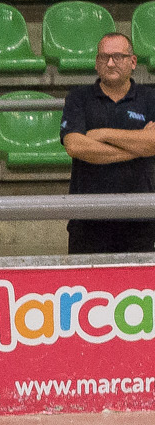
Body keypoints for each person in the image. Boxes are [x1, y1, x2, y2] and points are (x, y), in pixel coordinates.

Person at [61, 31, 155, 258]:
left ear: (133, 62)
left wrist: (103, 133)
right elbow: (75, 146)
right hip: (88, 220)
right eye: (104, 57)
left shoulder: (150, 98)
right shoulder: (78, 98)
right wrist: (137, 148)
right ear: (96, 63)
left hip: (142, 219)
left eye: (118, 57)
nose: (110, 63)